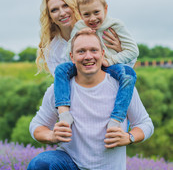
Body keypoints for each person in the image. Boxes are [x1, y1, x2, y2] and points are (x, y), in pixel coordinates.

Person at [27, 31, 154, 170]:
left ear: (102, 54)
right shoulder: (57, 90)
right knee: (41, 164)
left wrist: (129, 137)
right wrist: (52, 135)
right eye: (81, 51)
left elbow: (145, 124)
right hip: (71, 164)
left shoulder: (121, 87)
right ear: (72, 57)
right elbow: (37, 125)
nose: (88, 56)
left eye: (94, 50)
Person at [36, 0, 123, 125]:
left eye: (65, 6)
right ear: (50, 17)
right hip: (77, 100)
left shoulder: (95, 29)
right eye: (54, 10)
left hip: (107, 94)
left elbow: (126, 65)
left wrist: (119, 50)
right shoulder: (53, 49)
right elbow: (62, 83)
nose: (62, 12)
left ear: (74, 7)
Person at [54, 0, 139, 129]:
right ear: (80, 14)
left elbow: (133, 51)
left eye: (96, 12)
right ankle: (64, 114)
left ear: (105, 9)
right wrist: (78, 35)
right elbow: (69, 53)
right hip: (85, 67)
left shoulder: (115, 25)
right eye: (87, 14)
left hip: (110, 67)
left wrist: (110, 60)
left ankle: (117, 118)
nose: (92, 18)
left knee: (128, 74)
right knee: (61, 69)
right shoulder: (80, 26)